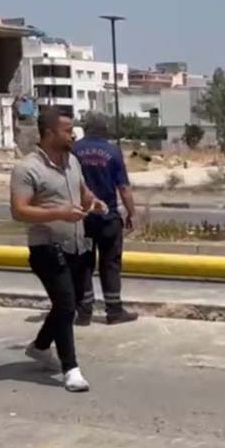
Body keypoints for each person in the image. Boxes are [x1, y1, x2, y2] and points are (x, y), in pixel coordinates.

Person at [10, 108, 108, 392]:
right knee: (66, 304)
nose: (73, 134)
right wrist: (59, 213)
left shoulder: (72, 162)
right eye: (67, 130)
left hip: (76, 245)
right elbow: (19, 210)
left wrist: (95, 202)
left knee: (71, 303)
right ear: (50, 133)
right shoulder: (27, 168)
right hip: (46, 247)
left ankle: (40, 346)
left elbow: (83, 191)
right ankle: (71, 368)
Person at [73, 114, 138, 326]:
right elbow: (124, 188)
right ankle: (114, 311)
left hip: (82, 219)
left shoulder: (74, 151)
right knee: (110, 263)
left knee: (83, 263)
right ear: (105, 130)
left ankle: (84, 312)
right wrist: (131, 213)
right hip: (108, 219)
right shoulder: (113, 151)